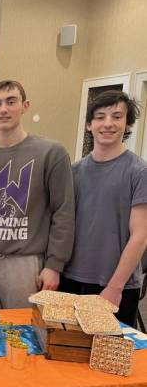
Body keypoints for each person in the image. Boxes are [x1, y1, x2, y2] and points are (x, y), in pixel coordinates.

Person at [0, 80, 75, 309]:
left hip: (26, 262)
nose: (4, 109)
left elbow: (63, 212)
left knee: (25, 335)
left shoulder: (51, 153)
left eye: (11, 102)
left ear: (25, 106)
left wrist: (54, 265)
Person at [61, 90, 147, 327]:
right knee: (66, 354)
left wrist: (115, 287)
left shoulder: (139, 172)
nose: (108, 123)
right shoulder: (74, 171)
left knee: (106, 359)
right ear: (89, 124)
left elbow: (140, 236)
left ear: (127, 123)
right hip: (70, 280)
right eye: (100, 117)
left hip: (114, 285)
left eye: (117, 116)